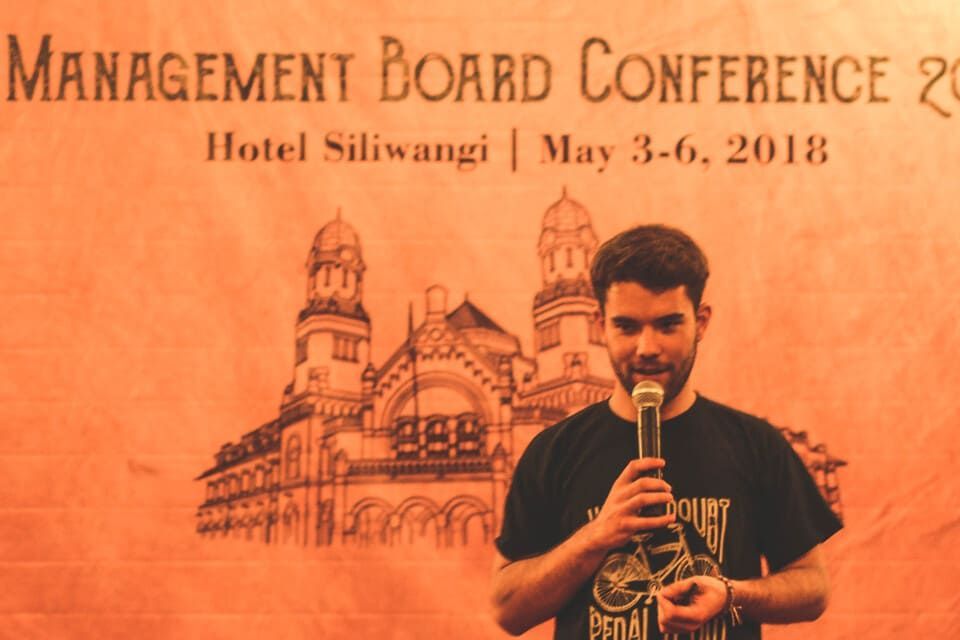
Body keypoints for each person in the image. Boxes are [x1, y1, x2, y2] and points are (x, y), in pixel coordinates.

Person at [490, 225, 842, 639]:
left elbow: (813, 588)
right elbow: (507, 610)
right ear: (600, 325)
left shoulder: (755, 444)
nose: (647, 347)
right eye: (627, 326)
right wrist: (597, 536)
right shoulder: (555, 450)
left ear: (701, 321)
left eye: (667, 324)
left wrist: (731, 594)